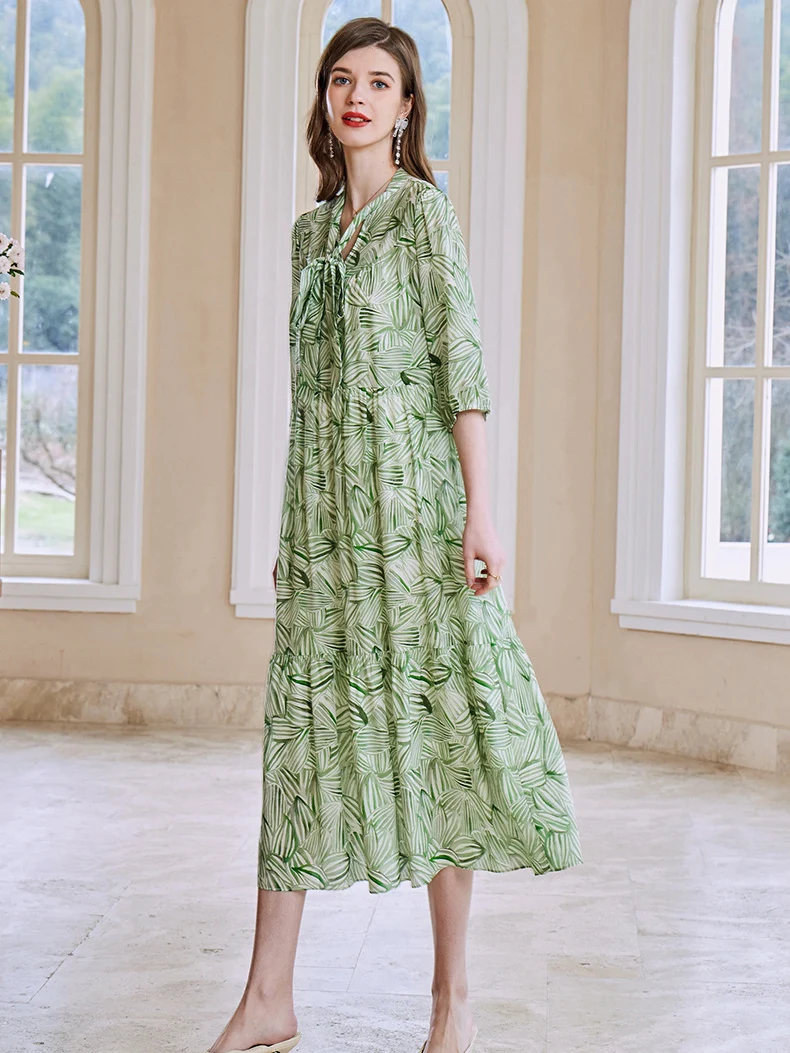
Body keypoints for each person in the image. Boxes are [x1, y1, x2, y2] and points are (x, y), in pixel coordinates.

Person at [208, 16, 583, 1053]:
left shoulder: (424, 215)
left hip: (415, 513)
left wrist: (480, 510)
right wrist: (295, 523)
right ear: (325, 100)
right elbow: (308, 396)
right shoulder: (307, 235)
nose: (357, 97)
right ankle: (267, 996)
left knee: (441, 733)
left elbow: (462, 367)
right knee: (298, 743)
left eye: (378, 82)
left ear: (408, 107)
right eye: (342, 79)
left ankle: (451, 1001)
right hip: (325, 521)